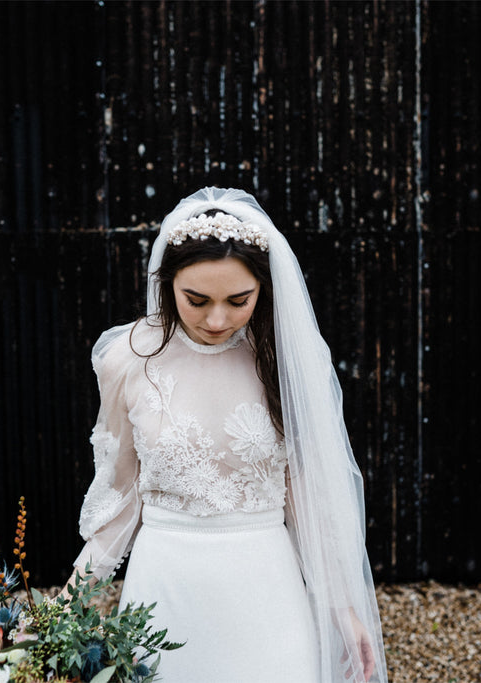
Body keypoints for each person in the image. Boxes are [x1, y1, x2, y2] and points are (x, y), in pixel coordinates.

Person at [69, 187, 387, 682]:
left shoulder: (281, 357)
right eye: (196, 300)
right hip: (164, 588)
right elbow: (118, 500)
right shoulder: (126, 360)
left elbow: (303, 494)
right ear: (166, 282)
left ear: (264, 289)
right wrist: (64, 608)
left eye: (238, 300)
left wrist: (341, 607)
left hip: (264, 587)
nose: (217, 320)